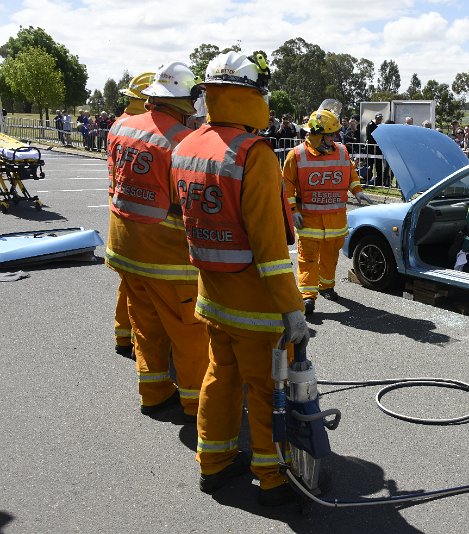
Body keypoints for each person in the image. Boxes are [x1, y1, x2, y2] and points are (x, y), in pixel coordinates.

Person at [171, 51, 309, 507]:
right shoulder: (256, 155)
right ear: (252, 96)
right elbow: (271, 251)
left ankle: (213, 463)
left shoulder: (187, 145)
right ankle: (272, 480)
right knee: (268, 391)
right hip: (256, 307)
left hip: (212, 298)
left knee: (219, 376)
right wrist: (293, 310)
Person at [105, 61, 209, 420]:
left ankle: (153, 392)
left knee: (145, 326)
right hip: (166, 258)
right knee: (190, 334)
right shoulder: (183, 141)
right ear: (185, 103)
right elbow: (188, 203)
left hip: (123, 248)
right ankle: (198, 406)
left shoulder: (120, 127)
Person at [283, 99, 373, 316]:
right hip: (310, 221)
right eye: (330, 135)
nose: (334, 138)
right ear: (316, 134)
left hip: (336, 222)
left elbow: (349, 173)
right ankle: (307, 297)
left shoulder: (341, 151)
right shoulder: (296, 155)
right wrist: (293, 212)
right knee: (308, 259)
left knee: (331, 257)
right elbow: (287, 186)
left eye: (335, 134)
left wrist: (358, 190)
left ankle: (327, 286)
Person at [107, 71, 155, 358]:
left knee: (128, 281)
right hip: (141, 217)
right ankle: (133, 338)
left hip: (120, 208)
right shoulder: (144, 129)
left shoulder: (119, 125)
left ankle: (123, 335)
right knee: (140, 286)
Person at [366, 112, 388, 186]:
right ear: (375, 118)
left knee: (379, 166)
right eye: (378, 118)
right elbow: (370, 137)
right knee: (370, 165)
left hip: (378, 149)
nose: (379, 120)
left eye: (380, 119)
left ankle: (379, 182)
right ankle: (367, 180)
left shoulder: (381, 125)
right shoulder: (370, 125)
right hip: (371, 148)